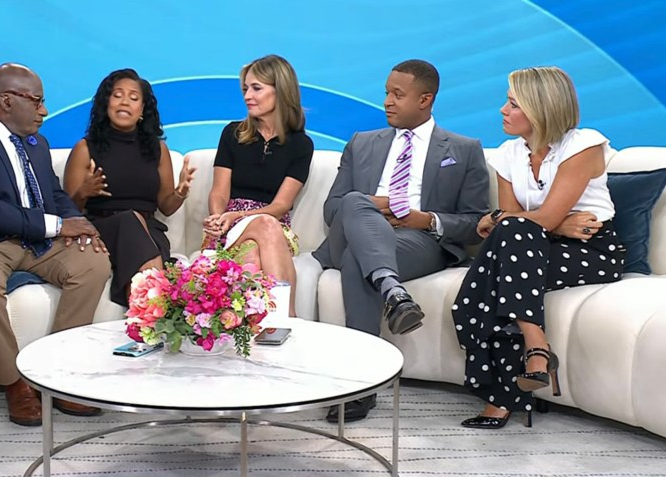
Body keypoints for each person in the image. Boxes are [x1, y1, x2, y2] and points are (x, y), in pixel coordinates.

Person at [313, 59, 491, 423]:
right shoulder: (361, 144)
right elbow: (333, 209)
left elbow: (476, 224)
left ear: (425, 99)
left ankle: (359, 386)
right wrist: (377, 205)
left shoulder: (464, 149)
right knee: (353, 201)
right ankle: (392, 290)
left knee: (357, 261)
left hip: (417, 240)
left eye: (398, 94)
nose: (387, 102)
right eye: (386, 93)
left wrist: (426, 219)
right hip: (355, 231)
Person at [0, 63, 110, 427]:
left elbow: (55, 194)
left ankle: (58, 376)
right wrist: (59, 225)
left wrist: (81, 227)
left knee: (93, 261)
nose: (44, 111)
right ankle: (14, 383)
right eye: (37, 101)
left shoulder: (37, 142)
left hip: (36, 240)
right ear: (6, 100)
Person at [453, 66, 626, 429]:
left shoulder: (583, 145)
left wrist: (533, 221)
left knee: (499, 271)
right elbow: (516, 220)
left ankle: (505, 393)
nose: (502, 110)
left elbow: (525, 219)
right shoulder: (507, 154)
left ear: (541, 109)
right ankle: (535, 354)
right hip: (530, 246)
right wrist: (550, 222)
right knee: (511, 254)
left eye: (513, 104)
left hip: (591, 250)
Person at [63, 68, 195, 306]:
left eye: (134, 98)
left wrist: (180, 192)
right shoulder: (86, 148)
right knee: (129, 220)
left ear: (142, 109)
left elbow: (166, 206)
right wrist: (85, 191)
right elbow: (67, 212)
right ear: (106, 103)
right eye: (118, 95)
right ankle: (153, 316)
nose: (125, 101)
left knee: (135, 223)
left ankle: (143, 320)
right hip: (103, 232)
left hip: (150, 233)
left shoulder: (157, 149)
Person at [202, 54, 313, 317]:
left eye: (256, 88)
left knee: (254, 253)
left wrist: (239, 215)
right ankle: (287, 320)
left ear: (280, 90)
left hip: (274, 226)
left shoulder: (300, 145)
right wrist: (218, 218)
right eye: (245, 89)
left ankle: (271, 324)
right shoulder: (231, 134)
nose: (248, 96)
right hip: (229, 228)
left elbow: (280, 206)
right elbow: (219, 191)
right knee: (256, 242)